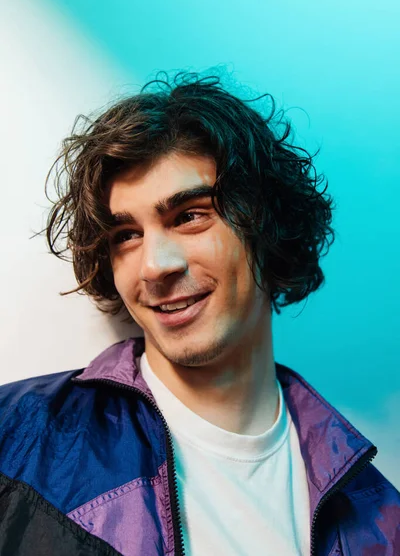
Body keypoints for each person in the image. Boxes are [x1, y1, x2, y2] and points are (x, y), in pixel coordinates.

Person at [0, 72, 398, 556]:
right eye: (126, 235)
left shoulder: (380, 520)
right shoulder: (13, 435)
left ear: (265, 228)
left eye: (189, 216)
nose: (154, 266)